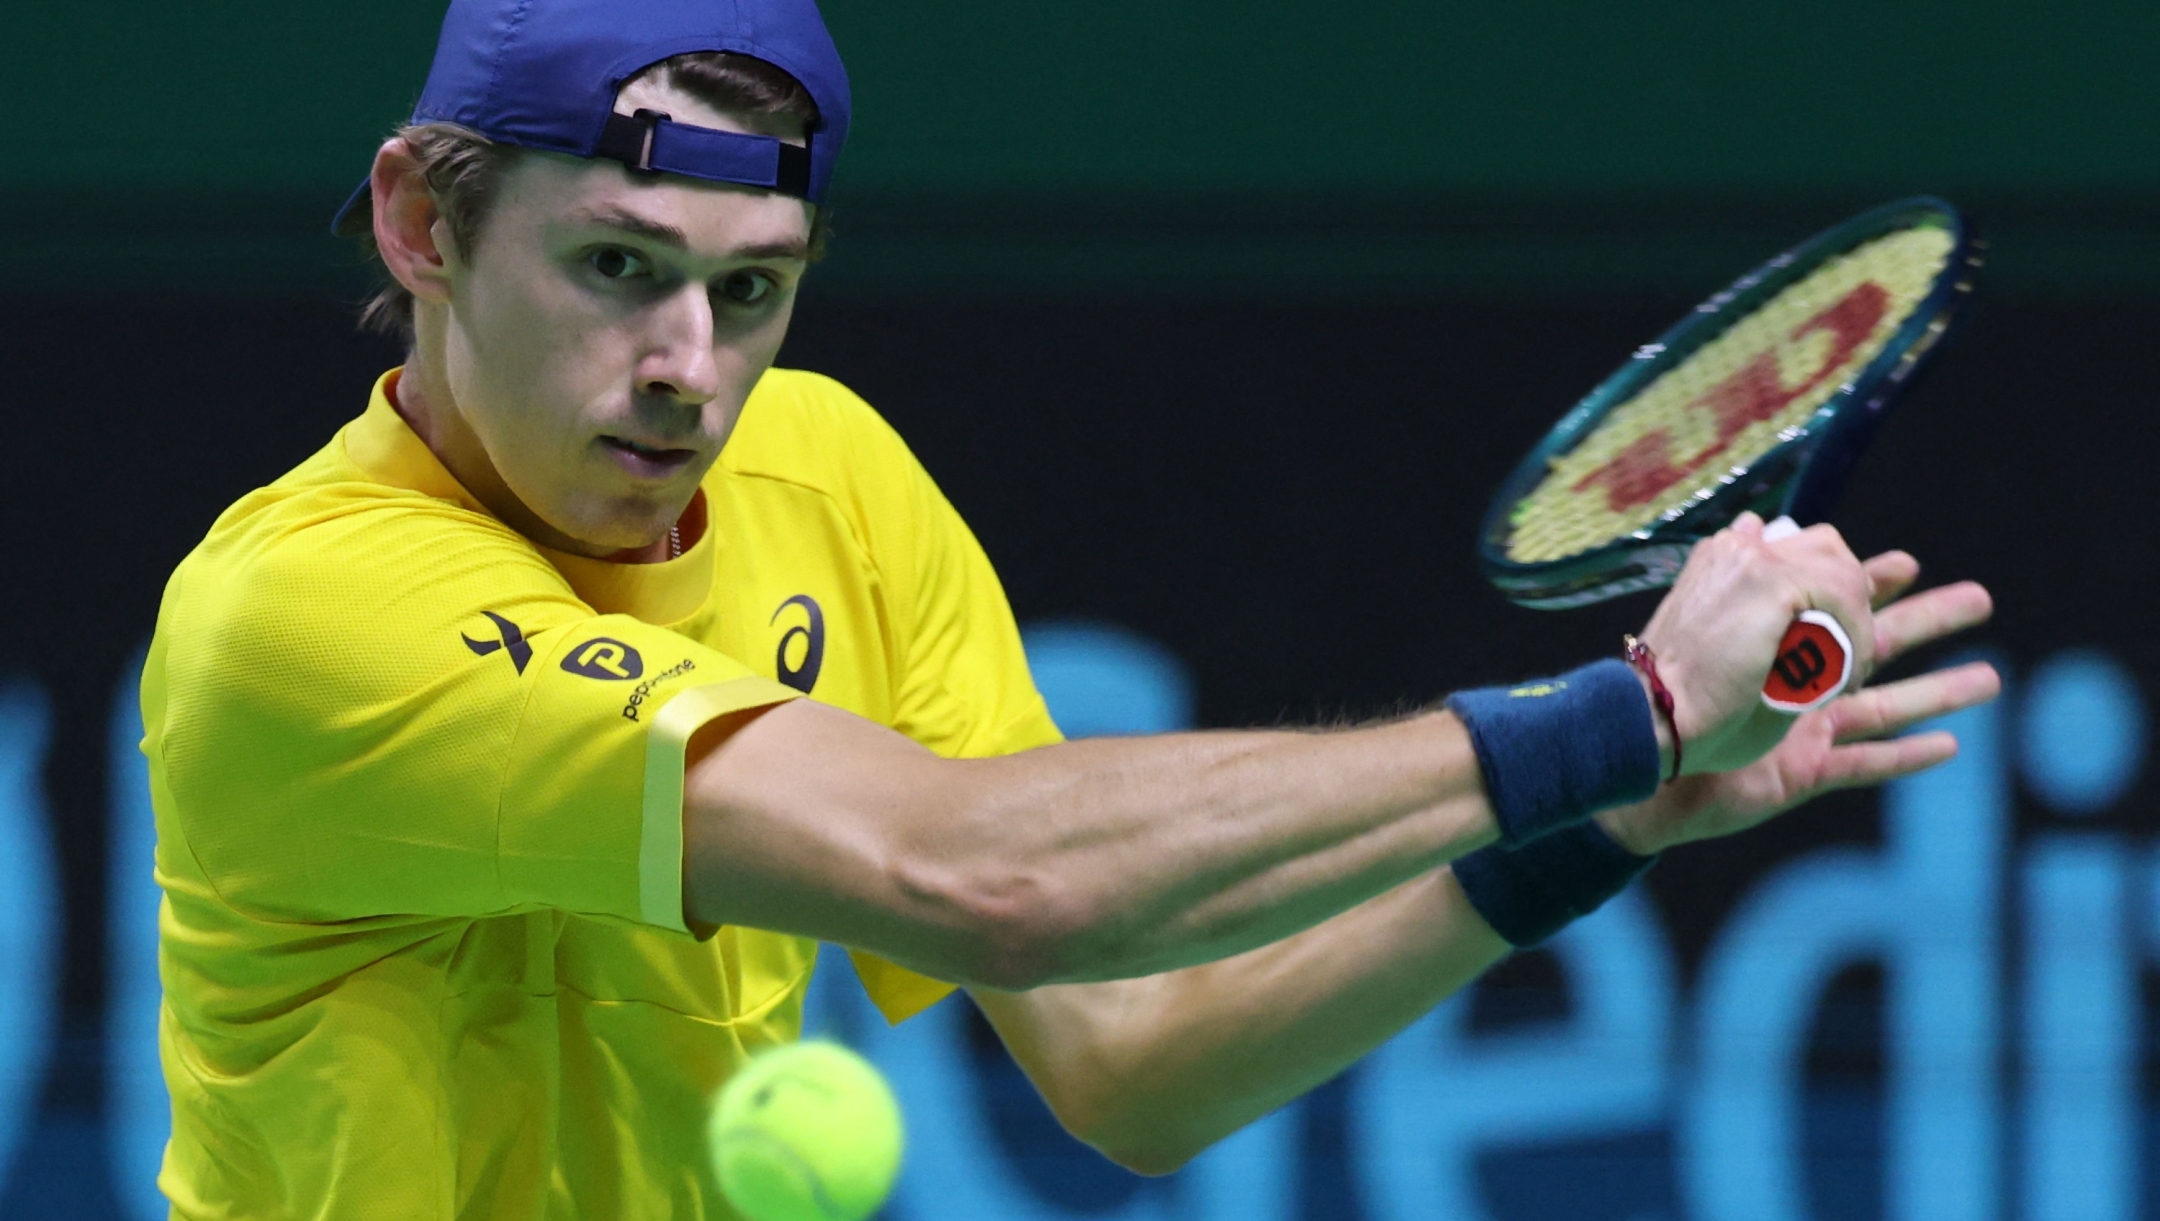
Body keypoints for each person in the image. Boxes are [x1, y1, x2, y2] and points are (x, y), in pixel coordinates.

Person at [140, 0, 2000, 1215]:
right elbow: (991, 878)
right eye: (618, 269)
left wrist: (1585, 826)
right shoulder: (300, 615)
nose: (688, 370)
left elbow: (1136, 1063)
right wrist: (1619, 716)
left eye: (755, 290)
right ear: (421, 223)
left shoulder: (825, 474)